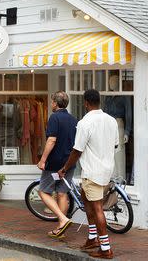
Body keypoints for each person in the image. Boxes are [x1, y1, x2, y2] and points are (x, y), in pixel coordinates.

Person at [59, 89, 118, 259]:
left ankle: (105, 248)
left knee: (97, 207)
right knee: (85, 197)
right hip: (106, 169)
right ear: (99, 101)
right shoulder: (111, 121)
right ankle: (93, 238)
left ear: (86, 103)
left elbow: (77, 150)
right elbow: (114, 145)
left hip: (92, 170)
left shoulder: (85, 123)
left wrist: (65, 168)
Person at [36, 91, 77, 238]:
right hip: (69, 162)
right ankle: (61, 227)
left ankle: (62, 218)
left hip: (54, 163)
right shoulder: (73, 119)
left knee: (43, 191)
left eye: (52, 101)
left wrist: (43, 160)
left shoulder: (54, 118)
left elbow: (51, 140)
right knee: (62, 193)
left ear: (55, 103)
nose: (51, 103)